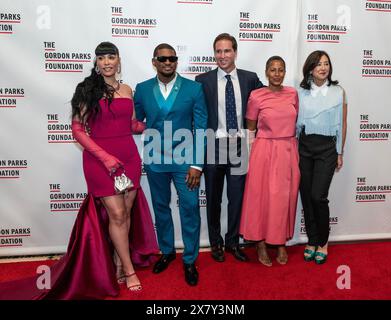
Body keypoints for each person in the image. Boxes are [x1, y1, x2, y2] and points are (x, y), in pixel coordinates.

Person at [0, 42, 159, 300]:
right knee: (117, 214)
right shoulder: (86, 90)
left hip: (129, 158)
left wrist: (148, 124)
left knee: (126, 213)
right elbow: (77, 129)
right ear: (96, 62)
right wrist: (105, 157)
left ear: (119, 60)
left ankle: (119, 263)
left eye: (111, 57)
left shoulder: (128, 89)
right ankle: (129, 271)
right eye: (101, 58)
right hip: (100, 160)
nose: (107, 62)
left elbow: (129, 124)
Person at [134, 43, 208, 286]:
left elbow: (200, 127)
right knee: (161, 208)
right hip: (155, 160)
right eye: (163, 58)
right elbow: (136, 121)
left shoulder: (193, 88)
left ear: (176, 61)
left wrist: (197, 164)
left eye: (172, 58)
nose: (168, 62)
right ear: (154, 61)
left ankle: (189, 259)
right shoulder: (142, 89)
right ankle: (166, 251)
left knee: (189, 208)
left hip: (185, 162)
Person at [195, 33, 263, 263]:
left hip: (239, 146)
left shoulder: (250, 79)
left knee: (237, 198)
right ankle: (215, 242)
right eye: (218, 51)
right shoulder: (202, 80)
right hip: (213, 146)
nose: (222, 56)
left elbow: (266, 102)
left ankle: (233, 241)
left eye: (227, 51)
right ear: (214, 53)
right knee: (213, 199)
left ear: (235, 52)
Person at [239, 56, 300, 267]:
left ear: (284, 72)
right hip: (263, 150)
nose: (276, 73)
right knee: (261, 198)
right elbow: (250, 129)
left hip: (288, 149)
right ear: (266, 72)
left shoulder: (292, 93)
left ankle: (280, 241)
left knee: (284, 198)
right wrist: (249, 157)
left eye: (280, 70)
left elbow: (295, 120)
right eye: (273, 70)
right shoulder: (256, 96)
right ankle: (261, 243)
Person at [297, 50, 347, 265]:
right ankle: (312, 240)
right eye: (318, 64)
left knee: (318, 196)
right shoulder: (300, 93)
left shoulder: (339, 91)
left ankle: (323, 242)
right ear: (310, 68)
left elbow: (342, 123)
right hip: (304, 147)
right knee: (307, 196)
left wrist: (339, 151)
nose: (323, 67)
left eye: (326, 63)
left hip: (327, 148)